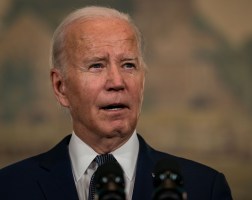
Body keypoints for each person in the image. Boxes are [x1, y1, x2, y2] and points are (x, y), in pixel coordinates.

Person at [0, 6, 232, 200]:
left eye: (129, 65)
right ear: (61, 87)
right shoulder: (10, 188)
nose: (117, 82)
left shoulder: (204, 188)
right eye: (97, 65)